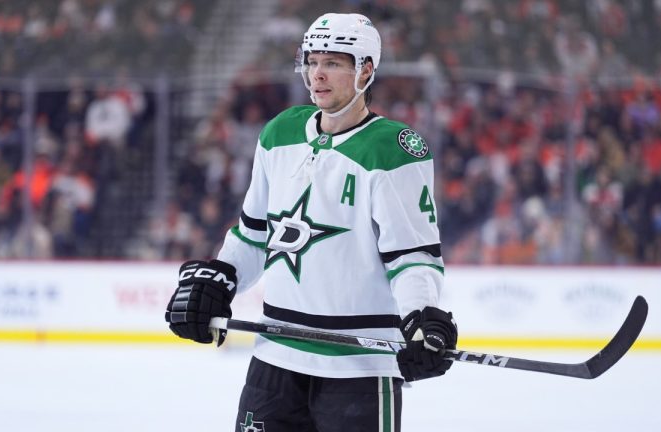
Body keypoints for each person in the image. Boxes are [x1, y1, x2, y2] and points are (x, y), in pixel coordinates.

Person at [165, 12, 459, 432]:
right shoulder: (279, 133)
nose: (317, 74)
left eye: (333, 63)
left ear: (366, 70)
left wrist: (421, 317)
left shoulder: (393, 150)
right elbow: (254, 235)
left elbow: (412, 256)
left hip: (358, 369)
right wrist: (222, 278)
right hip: (275, 360)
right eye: (311, 61)